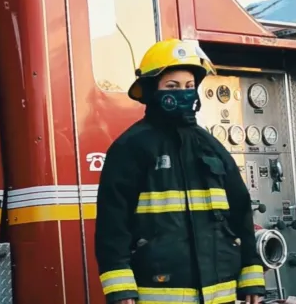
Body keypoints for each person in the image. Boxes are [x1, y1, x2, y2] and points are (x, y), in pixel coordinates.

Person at [94, 39, 266, 304]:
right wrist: (121, 290)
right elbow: (113, 224)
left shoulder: (211, 147)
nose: (183, 93)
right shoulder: (130, 147)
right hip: (158, 294)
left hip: (219, 295)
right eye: (172, 86)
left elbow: (241, 213)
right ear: (151, 89)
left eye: (189, 86)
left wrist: (251, 277)